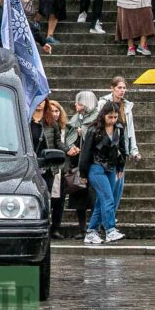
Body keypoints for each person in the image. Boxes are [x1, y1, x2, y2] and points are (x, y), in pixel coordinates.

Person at [79, 100, 127, 244]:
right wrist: (83, 173)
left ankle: (92, 231)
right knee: (108, 198)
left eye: (115, 117)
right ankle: (110, 229)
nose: (112, 120)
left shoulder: (119, 128)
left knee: (102, 201)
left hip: (111, 166)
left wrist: (120, 167)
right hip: (96, 167)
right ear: (103, 115)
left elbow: (122, 149)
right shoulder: (94, 130)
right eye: (110, 117)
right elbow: (85, 153)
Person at [101, 75, 141, 211]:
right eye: (119, 88)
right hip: (105, 151)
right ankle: (104, 219)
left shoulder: (127, 106)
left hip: (120, 150)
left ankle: (111, 217)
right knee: (107, 189)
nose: (122, 91)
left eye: (124, 88)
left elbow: (130, 130)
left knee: (118, 189)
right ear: (112, 88)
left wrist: (134, 150)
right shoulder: (103, 103)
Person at [63, 92, 99, 238]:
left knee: (93, 197)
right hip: (76, 161)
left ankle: (95, 227)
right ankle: (82, 229)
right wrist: (72, 145)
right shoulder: (76, 118)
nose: (75, 105)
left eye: (78, 103)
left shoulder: (96, 117)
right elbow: (68, 136)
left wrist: (82, 132)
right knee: (79, 196)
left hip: (92, 161)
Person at [31, 99, 66, 239]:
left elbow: (58, 143)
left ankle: (46, 227)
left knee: (47, 198)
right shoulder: (25, 121)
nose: (39, 103)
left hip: (48, 165)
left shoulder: (51, 123)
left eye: (42, 101)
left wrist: (68, 150)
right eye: (37, 101)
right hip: (31, 165)